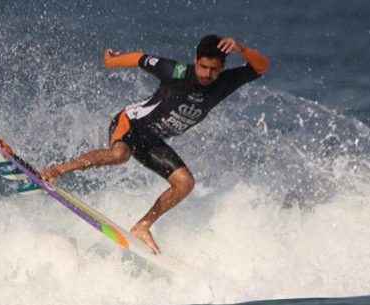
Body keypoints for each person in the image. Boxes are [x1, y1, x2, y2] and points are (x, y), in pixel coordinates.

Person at [41, 34, 269, 254]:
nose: (207, 74)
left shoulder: (224, 82)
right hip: (130, 122)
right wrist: (111, 60)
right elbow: (141, 58)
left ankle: (142, 226)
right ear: (196, 60)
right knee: (119, 155)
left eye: (214, 69)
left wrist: (241, 48)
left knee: (185, 183)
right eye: (203, 66)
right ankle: (56, 170)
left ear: (221, 68)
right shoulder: (177, 72)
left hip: (152, 140)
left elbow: (261, 67)